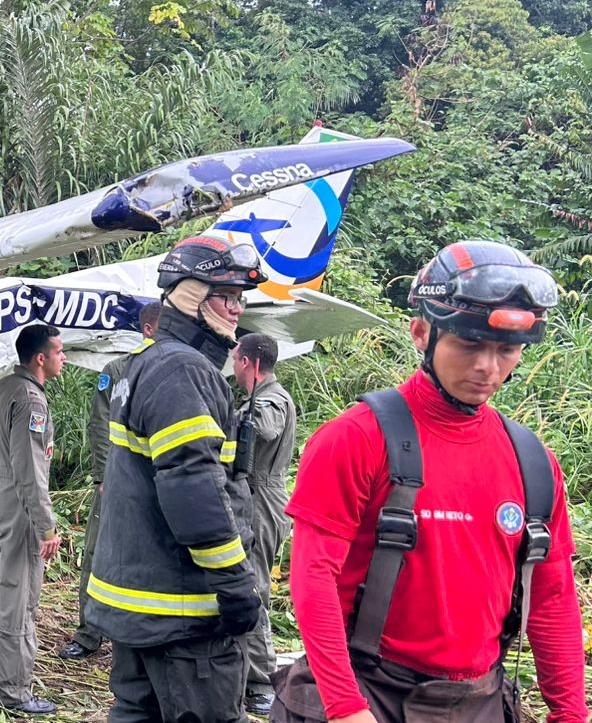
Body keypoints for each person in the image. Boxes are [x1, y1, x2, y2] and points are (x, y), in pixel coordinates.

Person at [276, 241, 587, 723]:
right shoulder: (357, 438)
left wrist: (570, 712)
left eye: (506, 349)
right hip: (369, 692)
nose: (488, 367)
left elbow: (552, 596)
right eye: (469, 344)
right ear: (421, 332)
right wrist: (343, 707)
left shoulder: (533, 462)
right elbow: (315, 579)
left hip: (479, 700)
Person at [87, 236, 266, 723]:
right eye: (227, 297)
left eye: (241, 299)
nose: (237, 311)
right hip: (182, 613)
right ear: (191, 294)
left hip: (141, 605)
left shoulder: (149, 363)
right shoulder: (184, 370)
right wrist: (234, 584)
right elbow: (194, 491)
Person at [0, 323, 67, 715]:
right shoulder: (30, 401)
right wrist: (46, 525)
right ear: (40, 358)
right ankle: (12, 690)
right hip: (18, 509)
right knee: (19, 598)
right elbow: (30, 470)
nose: (64, 358)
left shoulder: (1, 388)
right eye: (59, 352)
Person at [59, 299, 162, 661]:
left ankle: (139, 637)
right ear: (148, 329)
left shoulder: (177, 371)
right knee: (97, 551)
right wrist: (103, 475)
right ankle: (88, 633)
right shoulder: (117, 370)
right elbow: (99, 425)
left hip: (158, 484)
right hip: (117, 479)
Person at [230, 332, 296, 716]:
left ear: (249, 363)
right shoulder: (265, 395)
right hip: (254, 496)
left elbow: (265, 428)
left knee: (254, 588)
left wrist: (239, 415)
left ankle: (261, 679)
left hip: (261, 498)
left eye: (237, 359)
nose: (234, 367)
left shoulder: (270, 399)